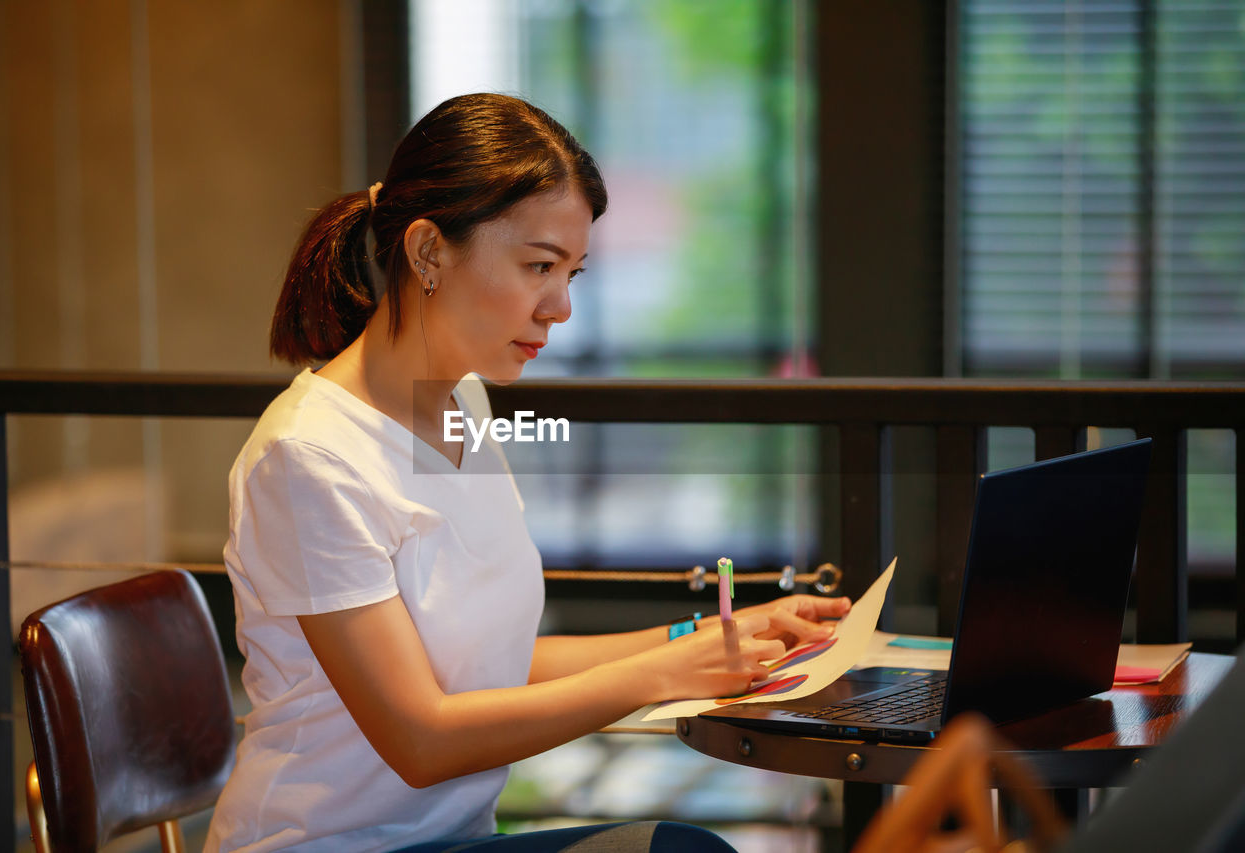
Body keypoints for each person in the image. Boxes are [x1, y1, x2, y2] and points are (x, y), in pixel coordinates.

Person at [204, 93, 852, 853]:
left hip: (450, 838)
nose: (561, 308)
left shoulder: (456, 404)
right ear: (427, 253)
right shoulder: (308, 458)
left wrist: (709, 637)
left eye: (571, 272)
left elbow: (494, 657)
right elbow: (422, 740)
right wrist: (667, 672)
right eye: (540, 266)